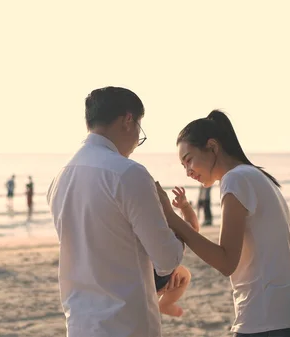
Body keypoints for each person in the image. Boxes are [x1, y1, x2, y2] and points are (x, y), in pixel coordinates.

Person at [46, 86, 186, 337]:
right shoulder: (128, 173)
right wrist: (175, 221)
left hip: (80, 324)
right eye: (140, 130)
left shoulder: (60, 178)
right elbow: (166, 259)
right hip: (127, 324)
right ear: (128, 120)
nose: (136, 141)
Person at [156, 110, 290, 337]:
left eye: (189, 160)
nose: (188, 172)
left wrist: (171, 217)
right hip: (283, 316)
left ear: (212, 146)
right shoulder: (255, 176)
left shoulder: (236, 179)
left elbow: (226, 262)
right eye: (183, 166)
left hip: (265, 321)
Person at [154, 186, 199, 317]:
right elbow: (194, 227)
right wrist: (185, 206)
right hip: (163, 277)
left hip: (141, 274)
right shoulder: (173, 227)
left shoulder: (140, 226)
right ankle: (164, 304)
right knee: (185, 275)